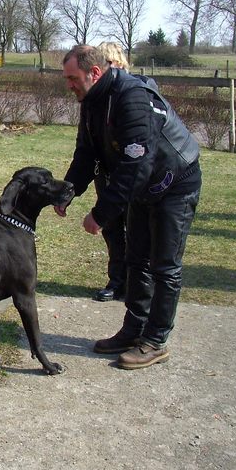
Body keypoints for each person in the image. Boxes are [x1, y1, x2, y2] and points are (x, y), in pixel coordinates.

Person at [57, 44, 201, 370]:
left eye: (72, 77)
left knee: (165, 266)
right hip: (146, 187)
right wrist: (68, 191)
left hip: (175, 184)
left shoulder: (132, 98)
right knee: (136, 261)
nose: (69, 84)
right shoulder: (92, 101)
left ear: (94, 72)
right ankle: (133, 330)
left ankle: (155, 340)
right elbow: (87, 153)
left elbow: (136, 165)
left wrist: (101, 214)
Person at [90, 42, 130, 302]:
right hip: (105, 174)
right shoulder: (95, 100)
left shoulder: (132, 93)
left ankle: (136, 284)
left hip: (130, 176)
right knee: (112, 230)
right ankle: (117, 281)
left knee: (136, 231)